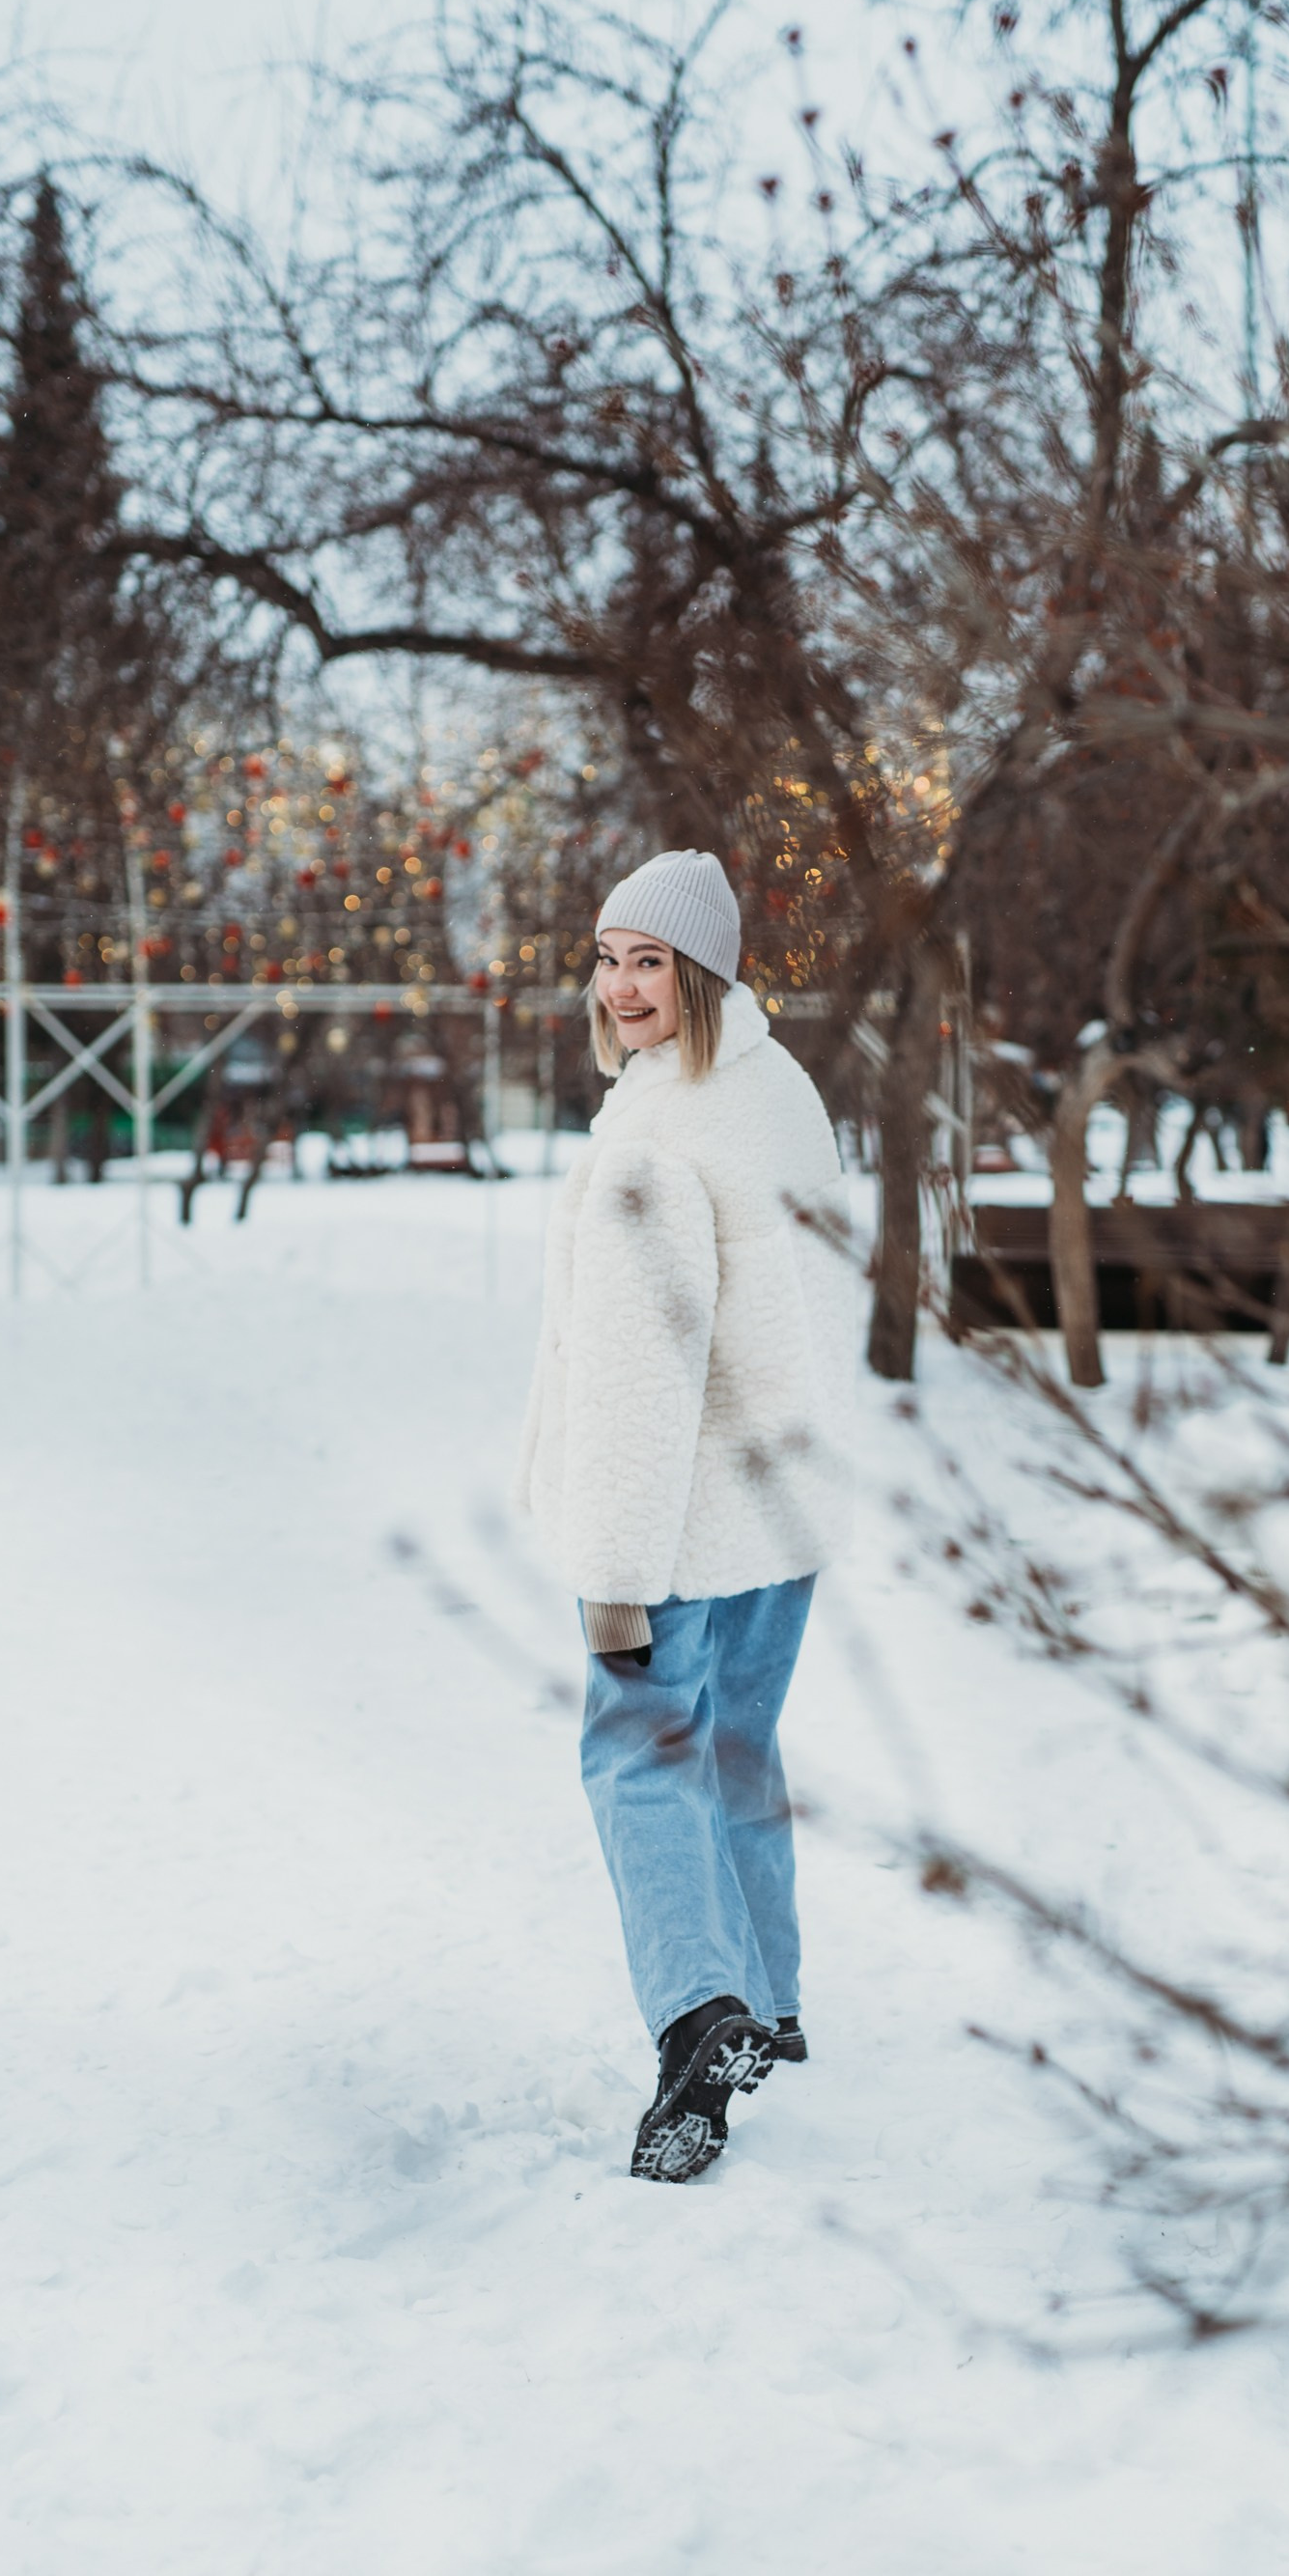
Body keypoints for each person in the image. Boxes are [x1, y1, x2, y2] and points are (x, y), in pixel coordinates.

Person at [515, 849, 857, 2183]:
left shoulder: (653, 1150)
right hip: (783, 1518)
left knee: (638, 1759)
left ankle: (697, 2018)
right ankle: (765, 2000)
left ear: (702, 971)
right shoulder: (783, 1097)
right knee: (733, 1751)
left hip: (680, 1525)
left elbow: (633, 1386)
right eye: (606, 959)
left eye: (648, 960)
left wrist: (612, 1575)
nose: (620, 987)